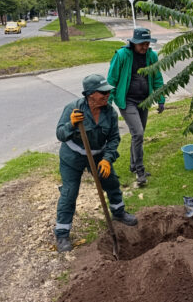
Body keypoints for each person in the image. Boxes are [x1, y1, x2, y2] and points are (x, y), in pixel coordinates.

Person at [53, 74, 138, 252]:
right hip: (73, 156)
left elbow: (114, 138)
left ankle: (119, 212)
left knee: (111, 182)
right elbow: (60, 134)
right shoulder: (73, 109)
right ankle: (62, 233)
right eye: (102, 93)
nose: (107, 96)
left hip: (98, 155)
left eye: (108, 92)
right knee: (70, 192)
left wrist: (107, 159)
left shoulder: (110, 112)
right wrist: (71, 125)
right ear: (90, 94)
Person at [106, 28, 165, 187]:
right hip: (127, 101)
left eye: (147, 43)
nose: (145, 47)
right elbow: (111, 80)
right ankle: (140, 171)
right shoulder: (122, 56)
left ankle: (133, 165)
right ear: (134, 42)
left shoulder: (151, 56)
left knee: (137, 134)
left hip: (144, 101)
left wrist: (161, 99)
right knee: (138, 133)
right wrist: (108, 102)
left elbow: (157, 78)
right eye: (142, 44)